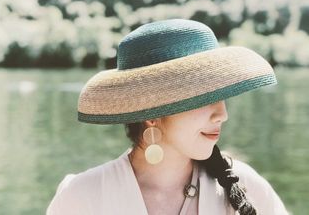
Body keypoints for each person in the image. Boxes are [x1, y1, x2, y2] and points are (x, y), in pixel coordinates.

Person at [47, 19, 289, 215]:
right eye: (203, 98)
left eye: (221, 96)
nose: (222, 114)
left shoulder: (246, 187)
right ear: (151, 114)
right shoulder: (82, 198)